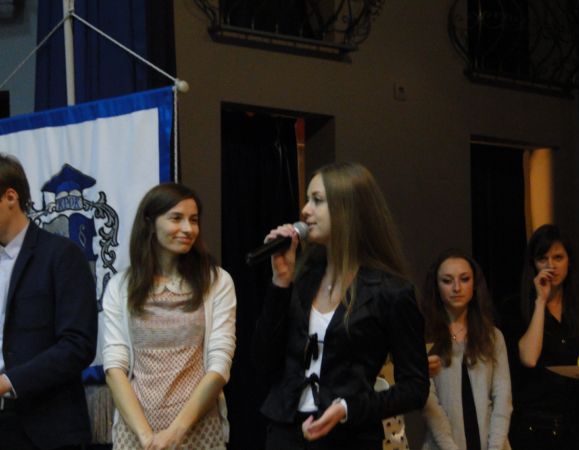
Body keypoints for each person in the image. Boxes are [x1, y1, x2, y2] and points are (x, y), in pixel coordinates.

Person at [253, 161, 429, 450]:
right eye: (307, 199)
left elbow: (415, 388)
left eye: (317, 200)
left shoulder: (390, 292)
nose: (305, 210)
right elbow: (262, 362)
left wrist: (348, 408)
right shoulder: (303, 279)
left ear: (348, 209)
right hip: (285, 435)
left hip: (350, 438)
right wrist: (280, 281)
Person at [102, 183, 236, 450]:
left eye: (193, 220)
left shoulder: (217, 281)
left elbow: (219, 365)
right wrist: (147, 438)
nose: (188, 229)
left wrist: (175, 433)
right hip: (136, 433)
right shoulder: (121, 286)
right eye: (176, 218)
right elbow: (114, 366)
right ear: (150, 223)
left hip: (198, 431)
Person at [0, 153, 98, 450]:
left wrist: (9, 382)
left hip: (46, 428)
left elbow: (77, 344)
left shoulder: (62, 255)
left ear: (10, 197)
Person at [506, 224, 579, 450]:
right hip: (532, 430)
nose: (551, 266)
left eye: (558, 257)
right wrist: (540, 301)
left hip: (575, 429)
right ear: (533, 264)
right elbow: (529, 358)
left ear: (569, 261)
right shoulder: (514, 309)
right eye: (543, 259)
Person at [419, 249, 512, 450]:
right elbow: (429, 404)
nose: (457, 287)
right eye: (447, 281)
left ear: (475, 284)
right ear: (436, 286)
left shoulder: (493, 336)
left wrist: (495, 447)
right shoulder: (424, 338)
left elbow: (503, 399)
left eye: (464, 279)